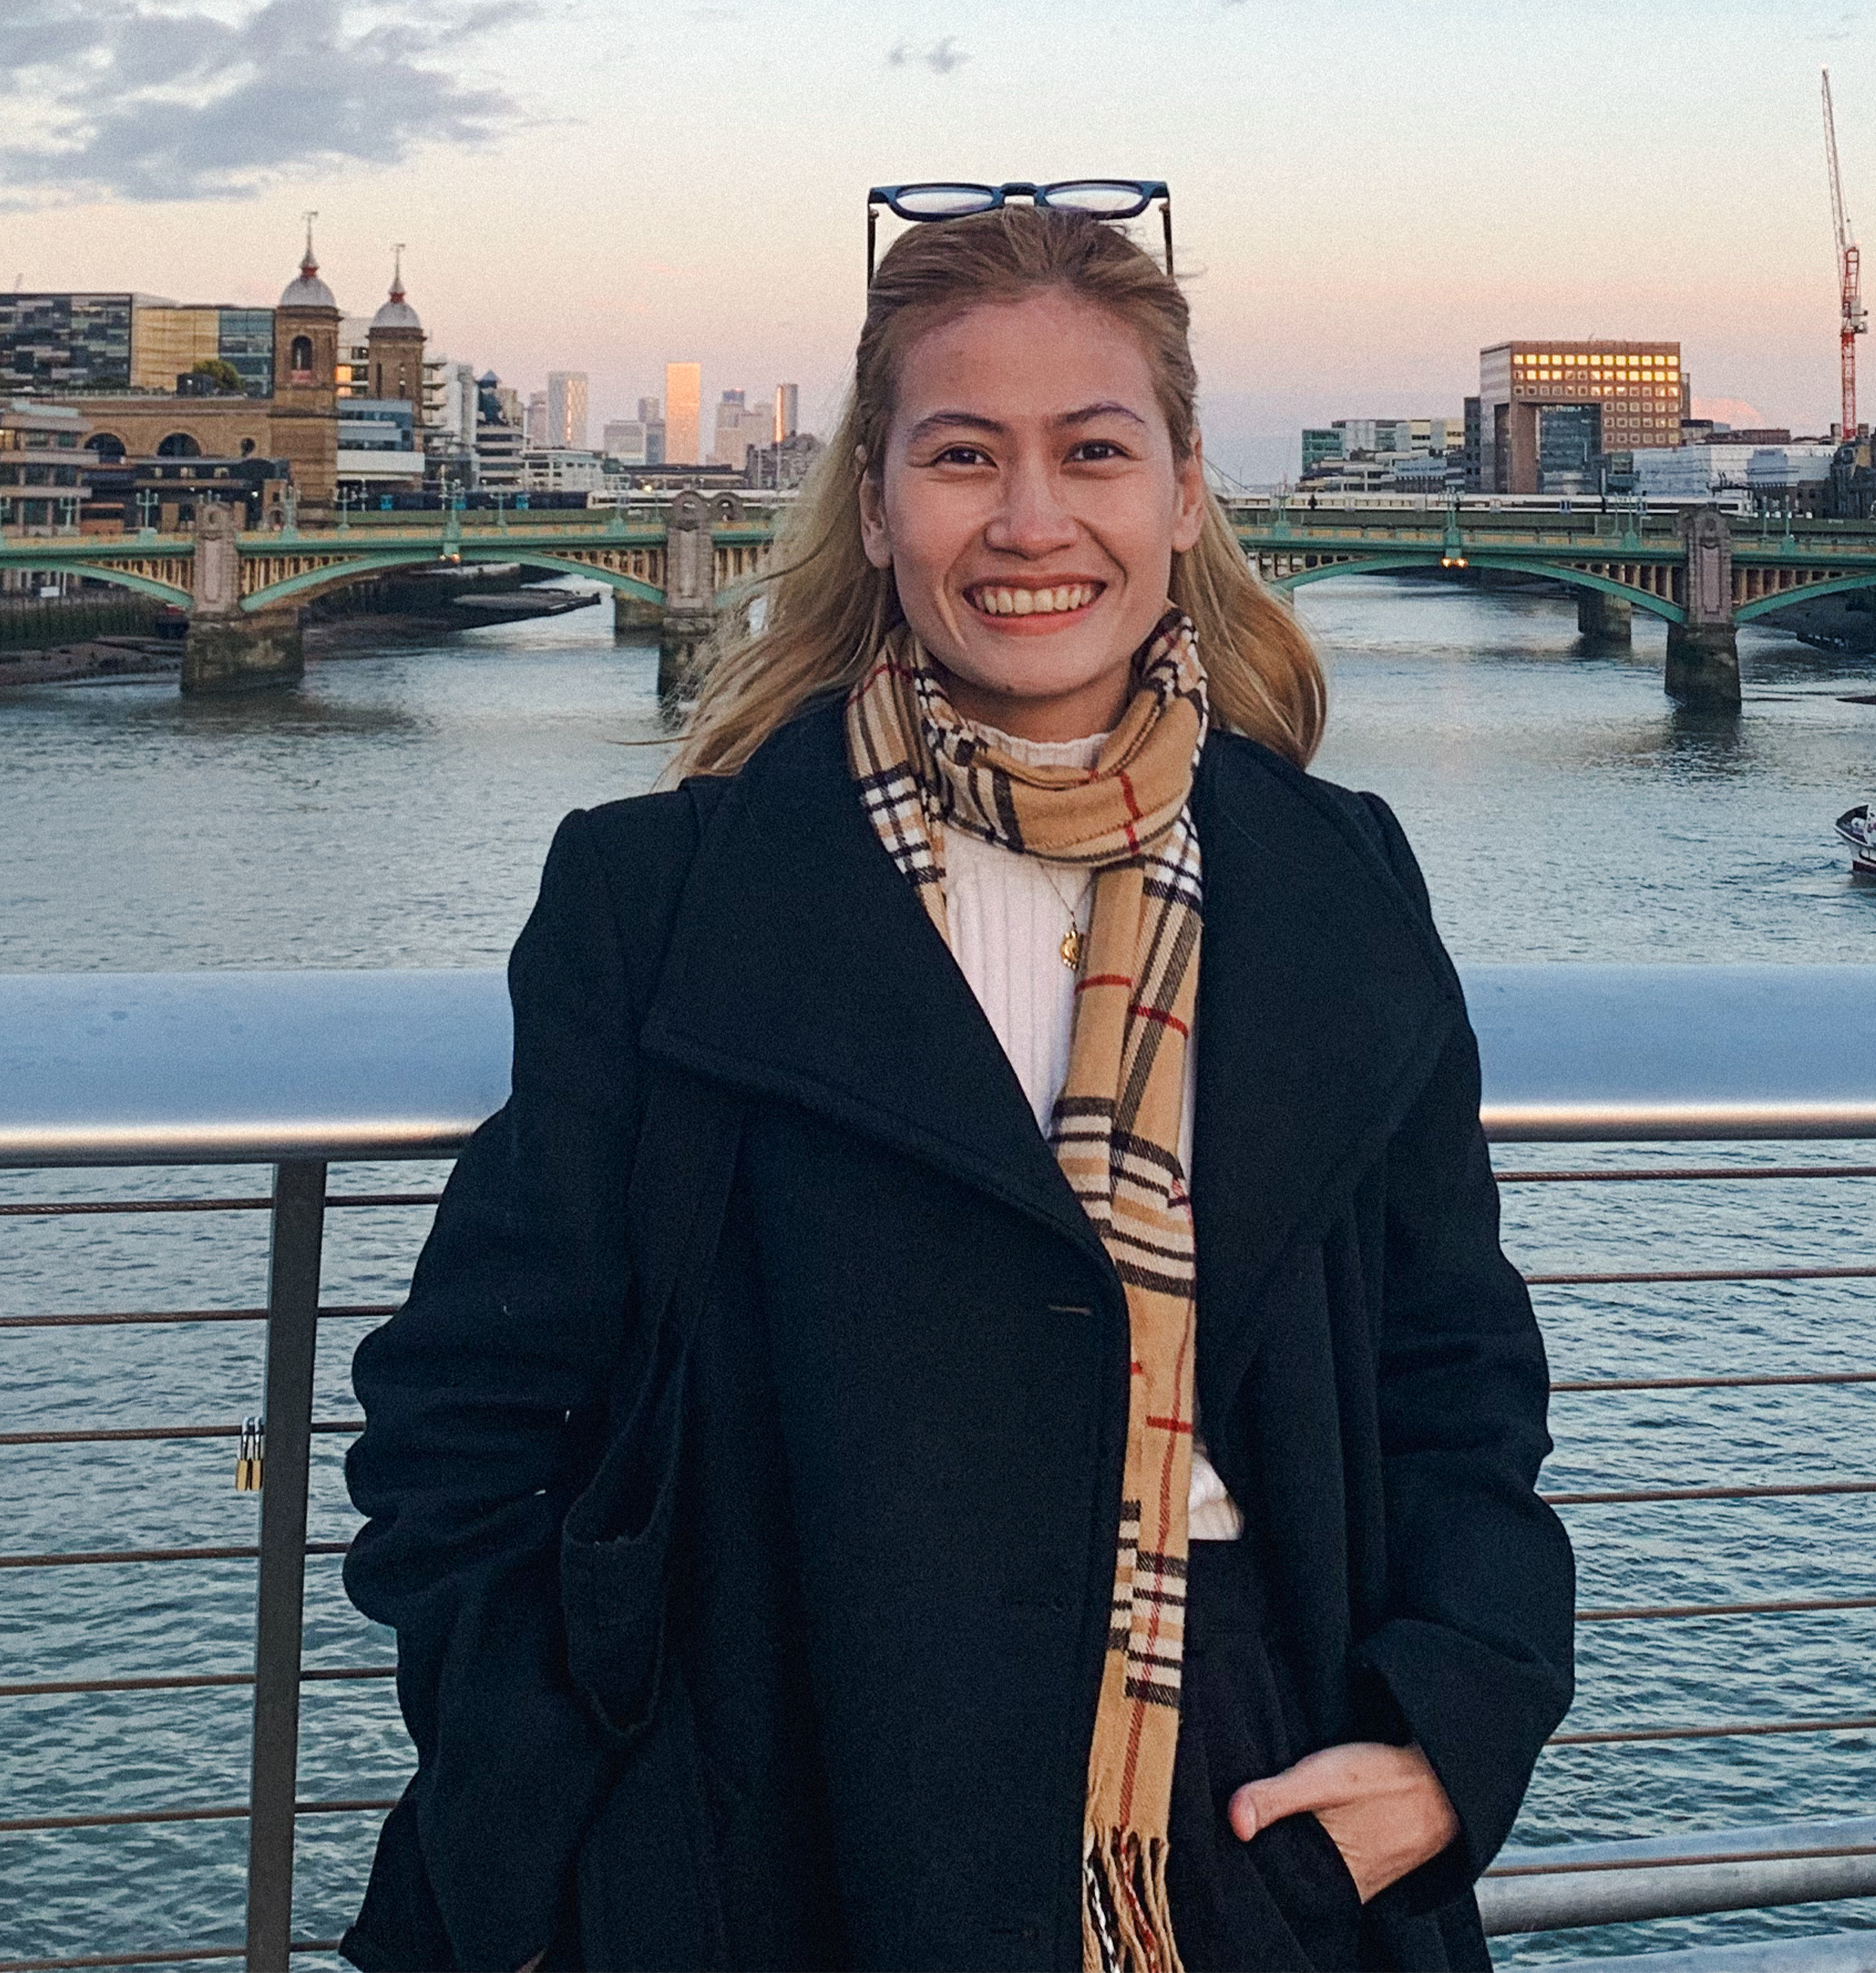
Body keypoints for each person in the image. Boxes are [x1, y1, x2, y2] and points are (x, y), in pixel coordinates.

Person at [341, 204, 1574, 1973]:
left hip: (1243, 1802)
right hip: (783, 1798)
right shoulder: (662, 896)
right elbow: (461, 1421)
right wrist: (577, 1817)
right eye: (963, 456)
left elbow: (1457, 1374)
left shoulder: (1342, 882)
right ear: (873, 502)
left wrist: (1455, 1730)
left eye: (1093, 451)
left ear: (1184, 489)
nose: (1030, 521)